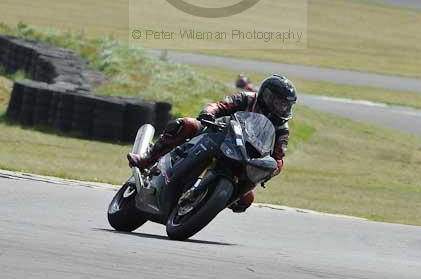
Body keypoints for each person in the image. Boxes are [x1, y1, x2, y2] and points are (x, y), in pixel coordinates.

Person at [127, 74, 297, 213]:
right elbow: (219, 106)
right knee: (186, 125)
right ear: (267, 96)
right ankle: (148, 158)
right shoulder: (247, 99)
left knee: (246, 199)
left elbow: (278, 157)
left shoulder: (282, 128)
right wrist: (208, 113)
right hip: (219, 132)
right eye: (279, 102)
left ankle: (204, 204)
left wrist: (271, 169)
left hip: (246, 156)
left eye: (286, 105)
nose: (282, 108)